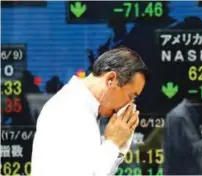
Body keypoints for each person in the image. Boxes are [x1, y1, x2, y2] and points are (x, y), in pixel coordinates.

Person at [31, 47, 148, 176]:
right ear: (111, 80)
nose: (129, 105)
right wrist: (112, 142)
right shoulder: (69, 109)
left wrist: (118, 144)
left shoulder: (84, 108)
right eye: (130, 96)